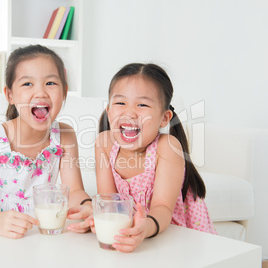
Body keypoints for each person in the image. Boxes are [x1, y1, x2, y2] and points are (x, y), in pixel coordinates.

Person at [0, 45, 91, 239]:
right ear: (10, 95)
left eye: (50, 83)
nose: (41, 92)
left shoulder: (65, 135)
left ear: (65, 92)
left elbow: (75, 190)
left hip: (33, 231)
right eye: (27, 84)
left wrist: (89, 207)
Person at [92, 63, 217, 252]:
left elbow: (163, 209)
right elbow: (109, 202)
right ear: (109, 111)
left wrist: (145, 228)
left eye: (142, 104)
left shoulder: (167, 147)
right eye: (120, 103)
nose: (130, 112)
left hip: (170, 233)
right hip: (132, 233)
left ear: (164, 118)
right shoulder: (104, 143)